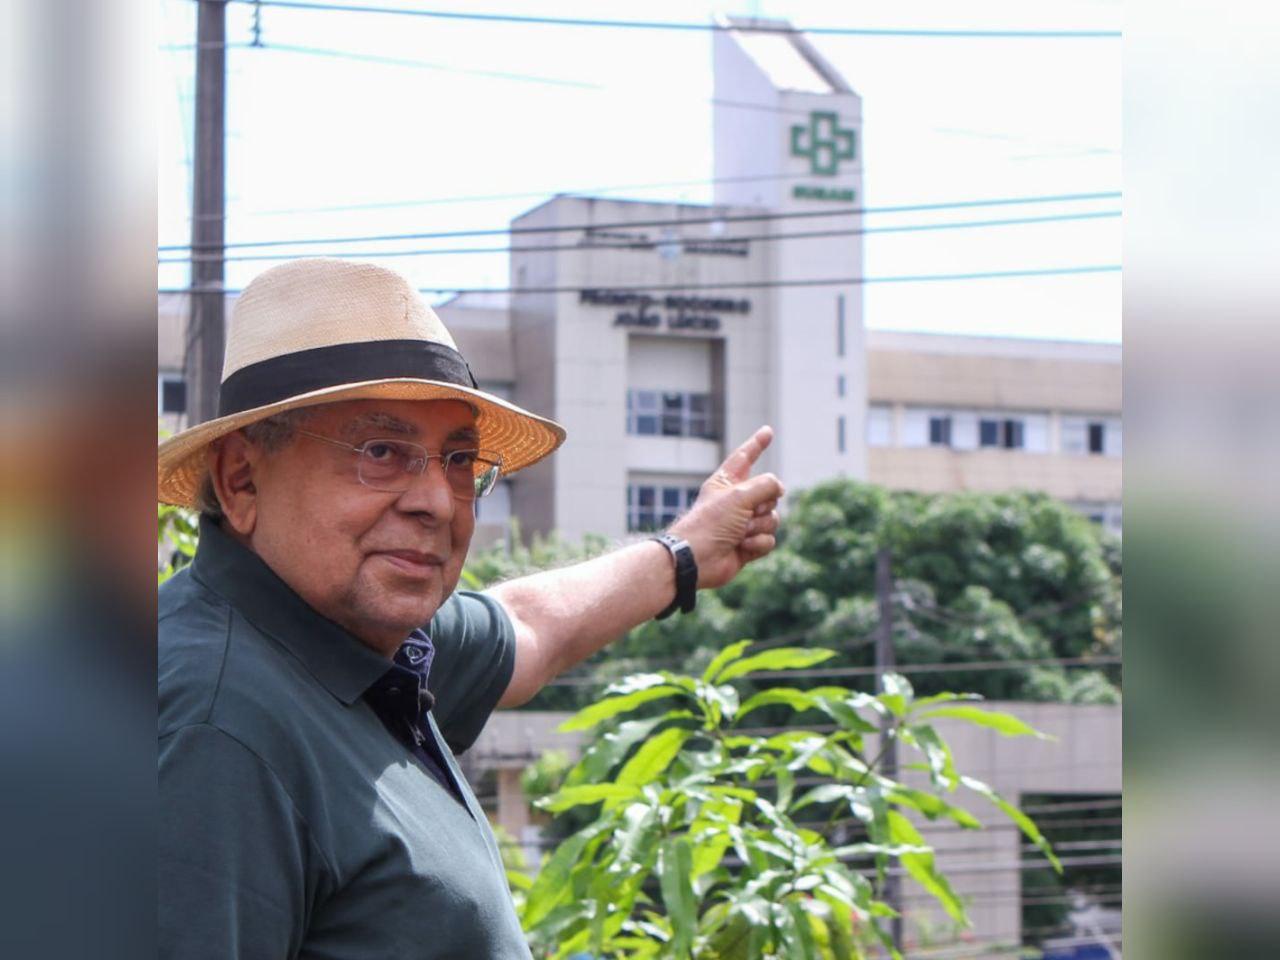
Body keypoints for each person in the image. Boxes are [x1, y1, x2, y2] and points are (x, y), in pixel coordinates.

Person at [158, 258, 784, 959]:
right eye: (381, 450)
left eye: (458, 460)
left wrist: (684, 553)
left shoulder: (365, 645)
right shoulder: (214, 729)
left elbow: (529, 626)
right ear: (242, 479)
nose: (434, 500)